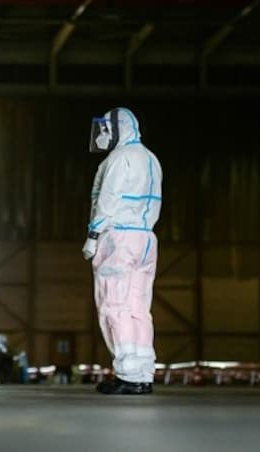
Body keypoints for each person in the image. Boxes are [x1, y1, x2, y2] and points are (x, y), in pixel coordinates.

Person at [83, 107, 161, 395]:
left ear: (118, 128)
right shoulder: (152, 159)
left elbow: (107, 199)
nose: (102, 135)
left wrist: (93, 235)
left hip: (118, 238)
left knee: (115, 305)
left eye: (106, 129)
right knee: (139, 308)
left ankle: (128, 375)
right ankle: (143, 372)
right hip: (146, 240)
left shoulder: (119, 159)